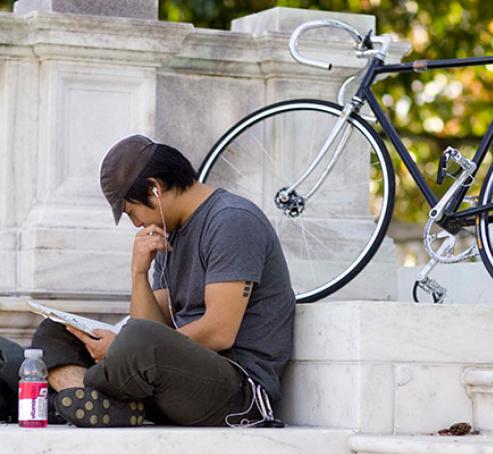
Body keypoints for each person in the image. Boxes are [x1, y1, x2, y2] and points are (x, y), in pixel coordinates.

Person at [31, 134, 295, 427]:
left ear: (154, 188)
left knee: (136, 342)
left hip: (237, 391)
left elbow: (219, 332)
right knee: (54, 332)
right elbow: (152, 327)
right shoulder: (168, 232)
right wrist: (139, 273)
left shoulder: (232, 221)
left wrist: (119, 350)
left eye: (132, 211)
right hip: (175, 380)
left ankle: (86, 395)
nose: (136, 224)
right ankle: (101, 402)